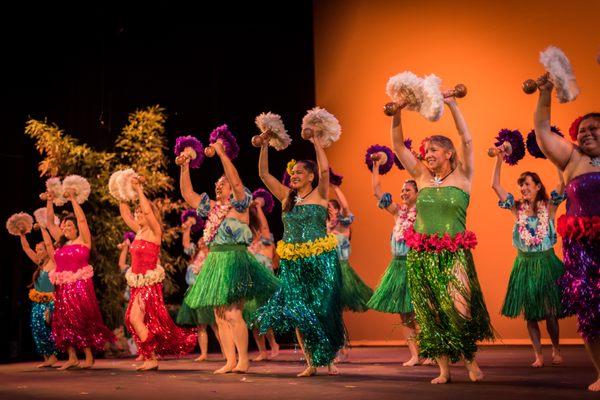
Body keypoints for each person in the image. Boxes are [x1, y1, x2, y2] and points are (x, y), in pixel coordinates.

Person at [391, 97, 493, 384]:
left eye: (433, 149)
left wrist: (452, 105)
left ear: (448, 153)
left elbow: (468, 140)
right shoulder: (421, 177)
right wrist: (396, 112)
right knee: (431, 314)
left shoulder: (463, 177)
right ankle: (444, 370)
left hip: (454, 253)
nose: (427, 154)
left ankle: (470, 361)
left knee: (460, 309)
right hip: (422, 255)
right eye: (425, 151)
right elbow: (398, 146)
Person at [179, 140, 278, 374]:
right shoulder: (212, 208)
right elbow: (188, 194)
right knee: (220, 314)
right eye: (217, 184)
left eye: (221, 184)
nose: (218, 186)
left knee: (234, 313)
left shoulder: (240, 206)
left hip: (235, 259)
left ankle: (243, 359)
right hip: (215, 261)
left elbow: (235, 181)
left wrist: (222, 153)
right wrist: (184, 166)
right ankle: (230, 360)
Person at [255, 135, 345, 377]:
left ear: (311, 176)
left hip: (319, 261)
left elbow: (324, 170)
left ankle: (329, 359)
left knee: (323, 310)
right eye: (292, 172)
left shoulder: (320, 195)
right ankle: (310, 362)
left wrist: (316, 140)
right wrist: (264, 145)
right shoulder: (287, 197)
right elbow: (264, 174)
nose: (293, 175)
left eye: (299, 172)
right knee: (298, 311)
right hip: (293, 263)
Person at [533, 79, 600, 391]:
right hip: (584, 251)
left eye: (593, 128)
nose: (585, 133)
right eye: (582, 129)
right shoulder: (573, 159)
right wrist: (546, 91)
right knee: (591, 314)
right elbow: (543, 131)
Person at [492, 157, 567, 367]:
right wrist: (499, 160)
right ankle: (538, 356)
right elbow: (495, 186)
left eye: (526, 183)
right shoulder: (517, 210)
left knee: (550, 312)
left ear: (538, 186)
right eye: (521, 185)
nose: (523, 188)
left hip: (545, 263)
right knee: (530, 315)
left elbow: (562, 183)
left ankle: (556, 349)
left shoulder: (549, 207)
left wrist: (554, 155)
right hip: (524, 265)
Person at [118, 176, 197, 370]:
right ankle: (149, 357)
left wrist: (139, 190)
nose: (138, 215)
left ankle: (151, 357)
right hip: (137, 283)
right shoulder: (138, 231)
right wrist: (120, 190)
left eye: (141, 213)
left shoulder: (155, 231)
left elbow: (146, 209)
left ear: (150, 215)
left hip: (149, 283)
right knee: (133, 319)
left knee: (136, 318)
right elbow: (125, 214)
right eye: (137, 213)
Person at [44, 189, 115, 370]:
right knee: (63, 321)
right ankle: (72, 357)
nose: (66, 229)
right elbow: (50, 222)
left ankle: (89, 356)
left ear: (76, 228)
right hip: (62, 289)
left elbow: (82, 220)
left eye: (70, 226)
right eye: (65, 226)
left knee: (81, 320)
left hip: (80, 288)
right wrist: (50, 200)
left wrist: (73, 199)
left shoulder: (83, 241)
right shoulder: (61, 243)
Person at [368, 163, 422, 366]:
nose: (403, 193)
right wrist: (375, 166)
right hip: (398, 266)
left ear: (418, 192)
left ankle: (431, 351)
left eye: (408, 190)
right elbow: (376, 192)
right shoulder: (397, 212)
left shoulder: (423, 212)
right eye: (402, 190)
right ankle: (415, 355)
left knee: (421, 311)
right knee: (404, 313)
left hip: (415, 265)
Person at [177, 219, 222, 362]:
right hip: (193, 292)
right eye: (200, 239)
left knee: (215, 324)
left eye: (204, 239)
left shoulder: (212, 256)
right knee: (201, 325)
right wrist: (187, 228)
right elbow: (185, 244)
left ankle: (227, 352)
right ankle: (203, 353)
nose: (201, 241)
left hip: (206, 292)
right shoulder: (194, 255)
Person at [16, 224, 57, 367]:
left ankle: (53, 356)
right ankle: (46, 357)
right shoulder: (39, 262)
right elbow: (26, 248)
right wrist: (22, 235)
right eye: (37, 250)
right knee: (36, 327)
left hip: (50, 302)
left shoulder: (53, 262)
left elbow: (49, 243)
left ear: (47, 251)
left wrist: (43, 228)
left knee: (47, 328)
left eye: (40, 249)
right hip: (37, 302)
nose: (37, 252)